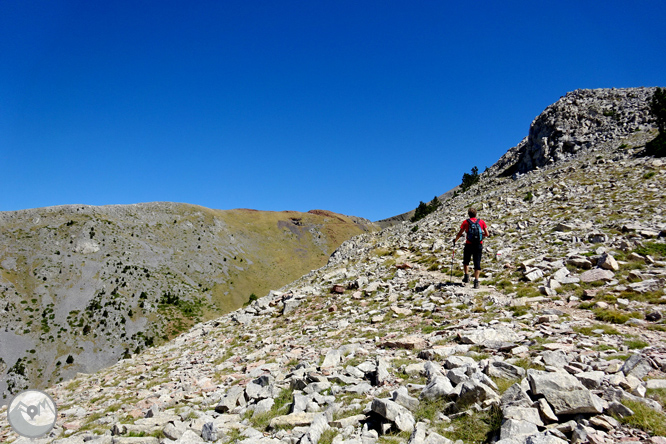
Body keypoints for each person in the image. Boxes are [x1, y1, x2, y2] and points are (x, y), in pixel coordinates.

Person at [453, 207, 490, 289]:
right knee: (477, 262)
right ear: (476, 214)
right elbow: (487, 234)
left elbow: (460, 233)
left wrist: (455, 240)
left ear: (468, 214)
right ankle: (476, 282)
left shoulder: (466, 222)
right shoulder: (481, 222)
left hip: (469, 244)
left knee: (466, 261)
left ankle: (466, 277)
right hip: (478, 245)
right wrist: (480, 235)